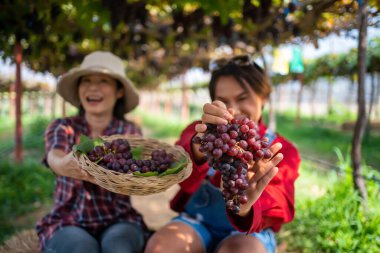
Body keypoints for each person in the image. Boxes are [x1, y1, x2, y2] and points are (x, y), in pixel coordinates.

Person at [145, 55, 301, 253]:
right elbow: (178, 173)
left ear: (264, 98)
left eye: (243, 98)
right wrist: (200, 147)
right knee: (160, 247)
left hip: (249, 233)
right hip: (197, 222)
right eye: (223, 101)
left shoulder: (281, 149)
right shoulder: (199, 132)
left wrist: (244, 207)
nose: (234, 110)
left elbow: (281, 205)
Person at [36, 51, 149, 253]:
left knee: (118, 248)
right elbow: (55, 156)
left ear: (119, 91)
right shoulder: (63, 127)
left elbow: (133, 177)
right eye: (86, 80)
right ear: (79, 88)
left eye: (103, 81)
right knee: (82, 249)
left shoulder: (129, 132)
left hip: (119, 219)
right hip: (68, 221)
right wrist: (64, 165)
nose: (93, 87)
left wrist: (129, 180)